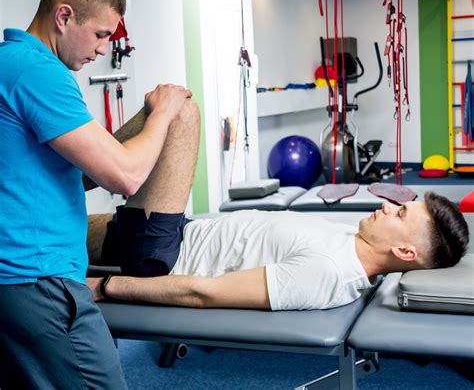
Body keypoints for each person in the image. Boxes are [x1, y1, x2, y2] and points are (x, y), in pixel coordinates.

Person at [0, 0, 192, 389]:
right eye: (102, 34)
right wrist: (162, 113)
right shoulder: (37, 72)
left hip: (15, 282)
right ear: (64, 16)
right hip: (39, 282)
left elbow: (61, 174)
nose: (104, 48)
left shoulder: (6, 64)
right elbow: (125, 177)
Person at [86, 105, 470, 312]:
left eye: (400, 214)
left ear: (405, 252)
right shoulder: (355, 239)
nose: (387, 208)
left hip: (164, 254)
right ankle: (74, 175)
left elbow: (206, 293)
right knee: (53, 229)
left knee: (180, 107)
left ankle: (80, 168)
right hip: (186, 231)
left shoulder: (329, 273)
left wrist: (105, 288)